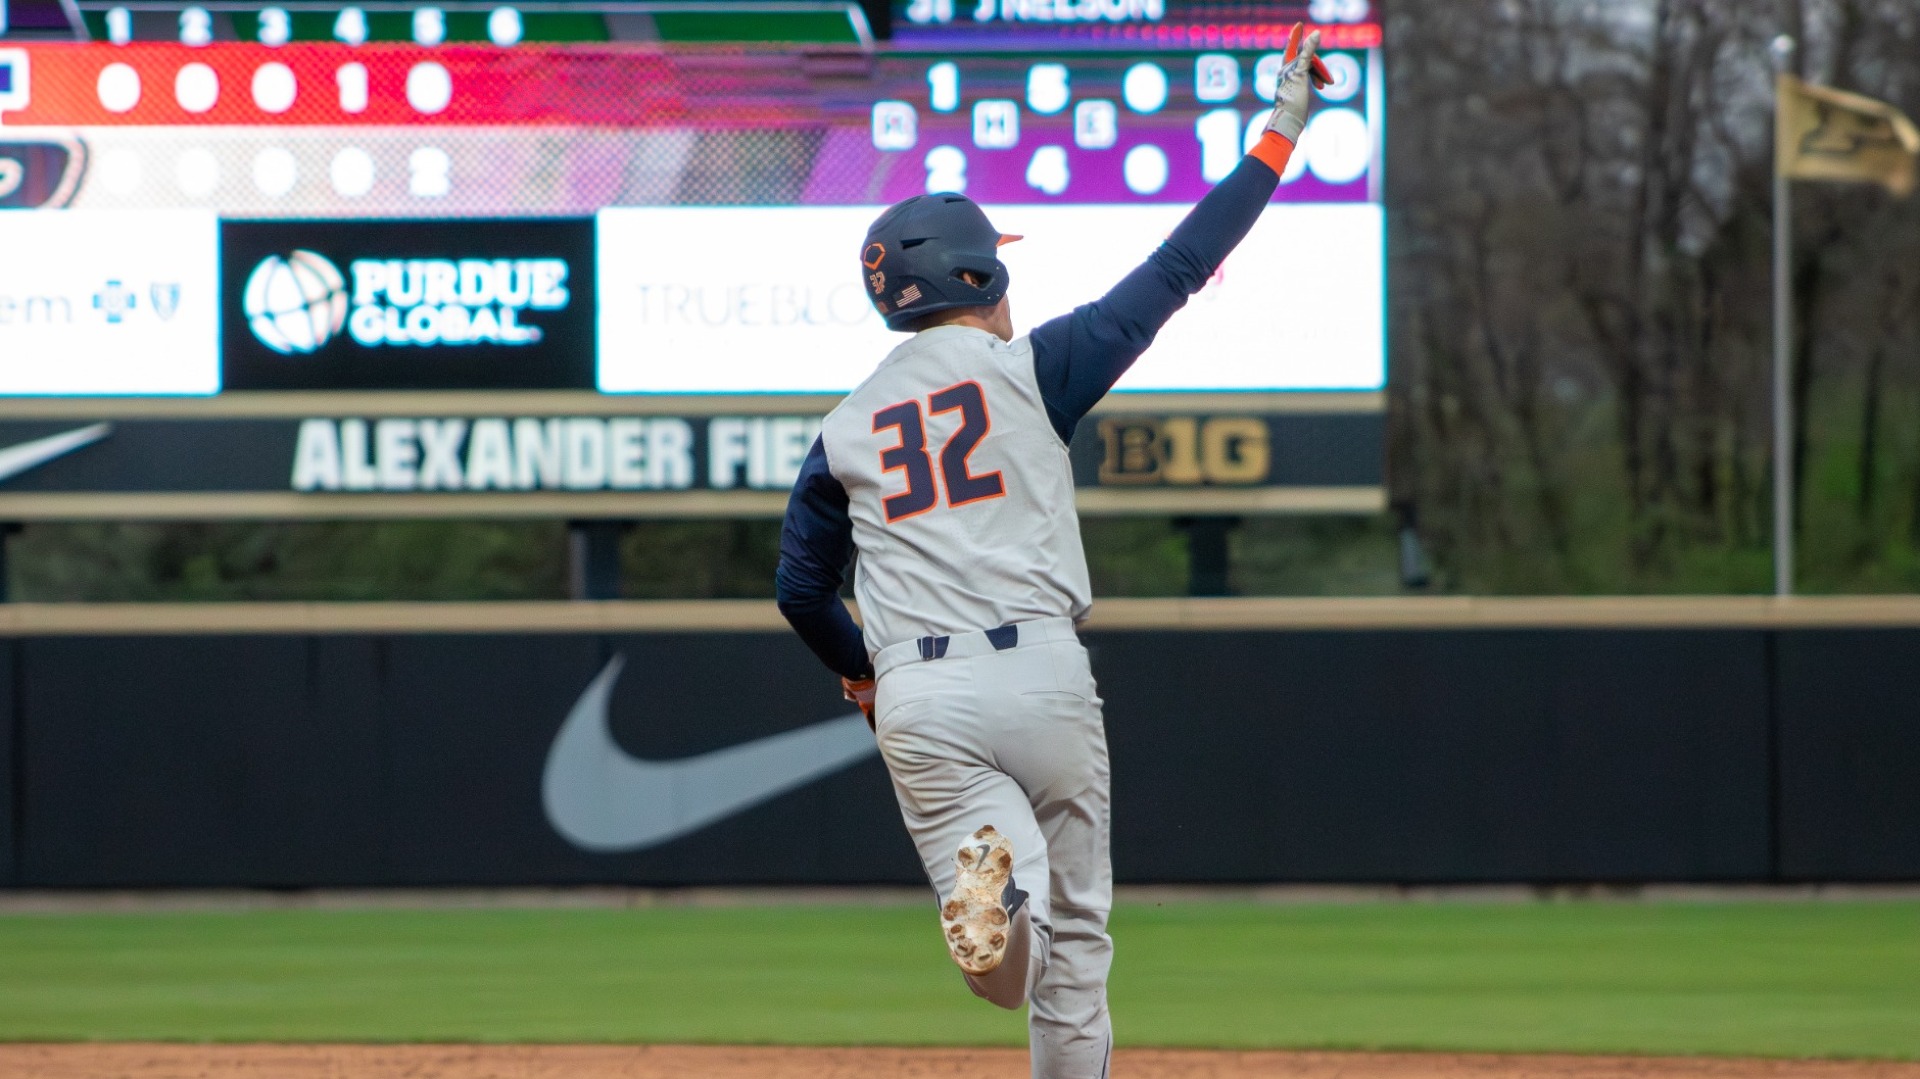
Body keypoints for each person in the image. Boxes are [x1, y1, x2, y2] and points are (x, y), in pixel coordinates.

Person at [775, 26, 1329, 1079]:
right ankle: (1009, 888)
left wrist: (858, 668)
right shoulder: (1037, 367)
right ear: (979, 271)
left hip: (920, 692)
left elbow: (799, 585)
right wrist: (1283, 122)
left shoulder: (844, 427)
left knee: (999, 962)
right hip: (1042, 673)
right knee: (1075, 956)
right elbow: (1181, 263)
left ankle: (994, 886)